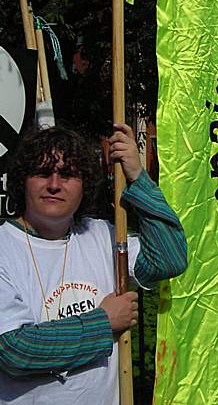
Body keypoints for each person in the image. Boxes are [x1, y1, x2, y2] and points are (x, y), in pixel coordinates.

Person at [0, 124, 187, 404]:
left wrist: (138, 179)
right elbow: (14, 350)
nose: (54, 184)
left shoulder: (103, 235)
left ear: (84, 184)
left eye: (67, 175)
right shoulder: (4, 246)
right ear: (22, 181)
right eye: (42, 172)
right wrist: (104, 322)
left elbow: (168, 258)